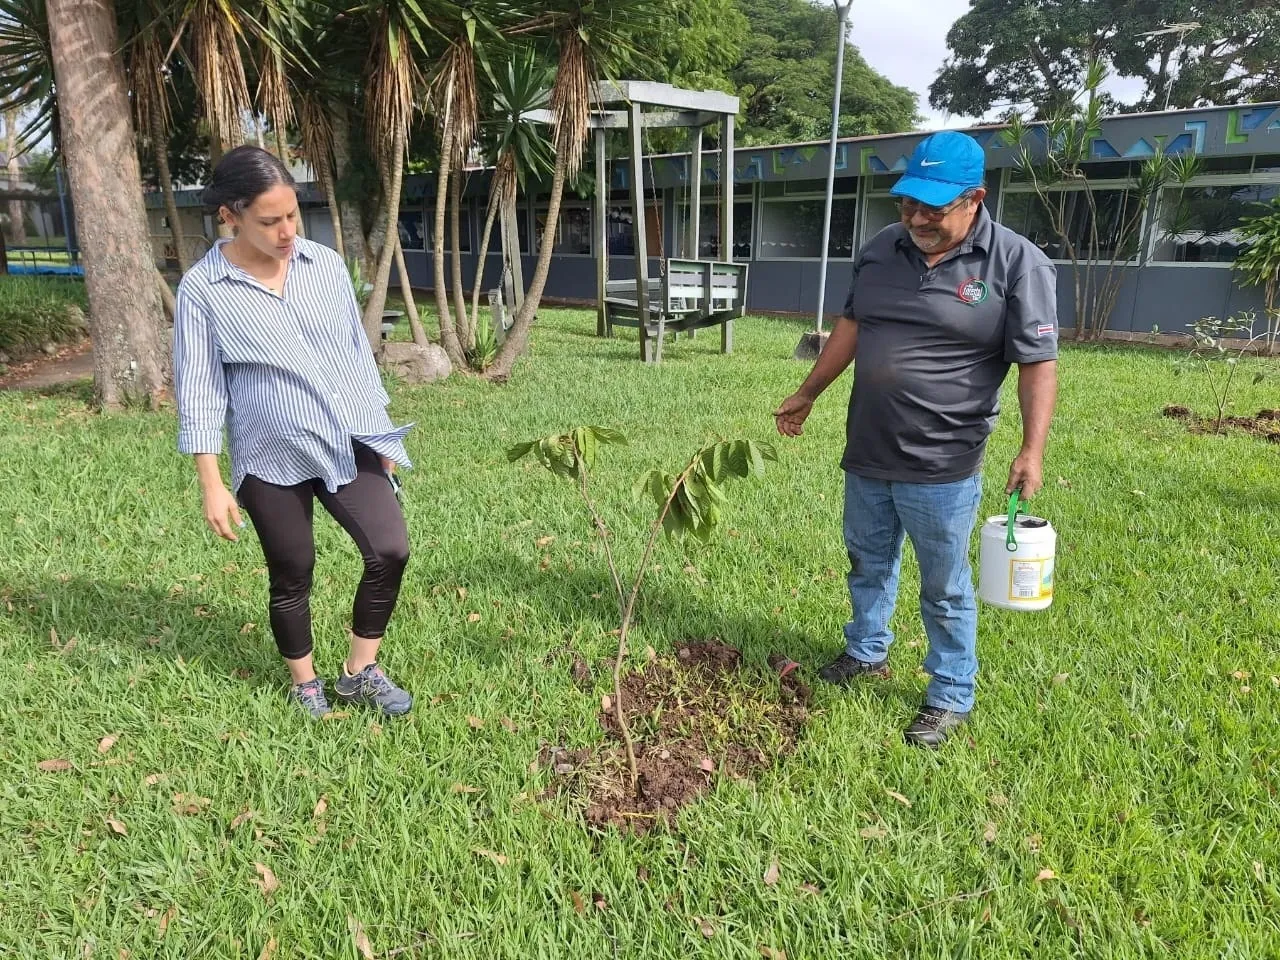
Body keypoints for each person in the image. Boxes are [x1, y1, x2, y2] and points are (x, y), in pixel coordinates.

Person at [774, 130, 1058, 748]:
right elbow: (853, 324)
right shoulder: (883, 247)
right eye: (907, 204)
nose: (916, 219)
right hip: (868, 446)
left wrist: (1031, 450)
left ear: (975, 198)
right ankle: (866, 650)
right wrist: (808, 391)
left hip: (943, 460)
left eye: (933, 208)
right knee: (867, 561)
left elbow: (1038, 364)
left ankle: (950, 691)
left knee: (944, 584)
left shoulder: (1017, 263)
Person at [172, 145, 416, 719]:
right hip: (269, 455)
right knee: (293, 570)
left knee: (390, 549)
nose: (286, 232)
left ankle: (359, 671)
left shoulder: (323, 266)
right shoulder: (204, 290)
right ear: (230, 216)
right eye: (269, 221)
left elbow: (355, 356)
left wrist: (379, 437)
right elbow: (199, 388)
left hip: (344, 440)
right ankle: (305, 682)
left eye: (292, 215)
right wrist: (212, 483)